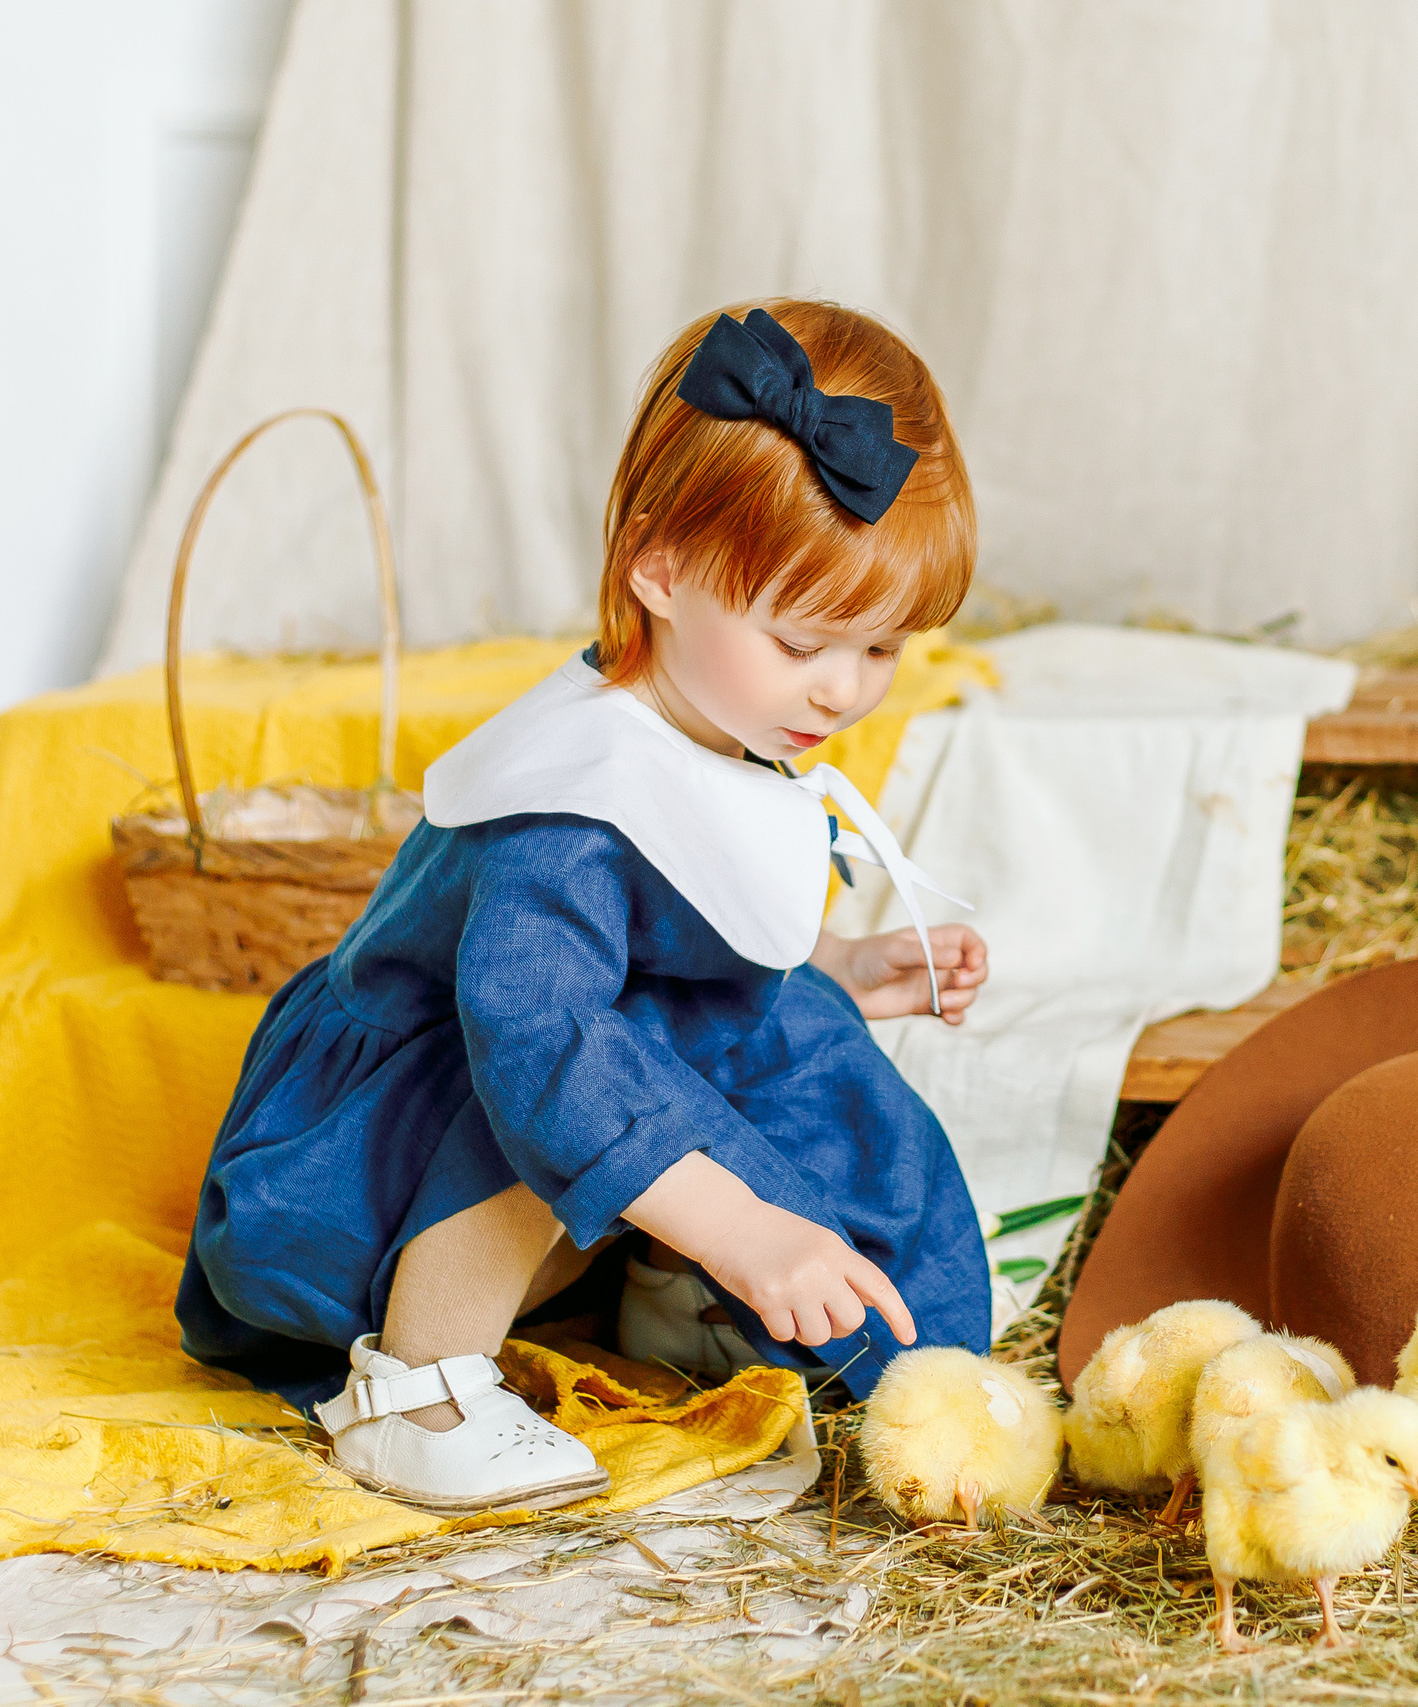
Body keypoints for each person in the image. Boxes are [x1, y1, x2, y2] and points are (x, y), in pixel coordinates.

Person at [175, 300, 994, 1513]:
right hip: (358, 1180)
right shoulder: (565, 804)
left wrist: (834, 960)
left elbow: (675, 911)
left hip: (525, 1098)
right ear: (657, 570)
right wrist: (739, 1225)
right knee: (589, 1053)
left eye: (881, 650)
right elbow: (540, 1044)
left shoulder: (723, 707)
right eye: (805, 640)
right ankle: (420, 1385)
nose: (840, 689)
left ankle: (680, 1291)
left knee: (783, 1033)